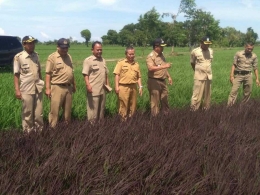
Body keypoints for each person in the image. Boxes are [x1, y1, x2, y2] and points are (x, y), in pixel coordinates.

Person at [13, 35, 44, 132]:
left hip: (38, 88)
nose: (32, 45)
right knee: (28, 113)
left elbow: (39, 72)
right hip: (26, 89)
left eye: (33, 43)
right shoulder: (19, 57)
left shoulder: (36, 55)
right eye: (29, 43)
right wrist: (17, 90)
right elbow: (16, 74)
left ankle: (39, 132)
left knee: (39, 113)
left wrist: (42, 84)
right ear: (24, 44)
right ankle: (28, 133)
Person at [45, 38, 76, 128]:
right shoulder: (52, 57)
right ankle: (52, 129)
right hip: (57, 87)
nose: (65, 50)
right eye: (62, 48)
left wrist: (74, 84)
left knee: (67, 111)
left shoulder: (69, 56)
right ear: (57, 47)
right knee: (55, 110)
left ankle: (66, 128)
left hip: (68, 87)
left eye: (66, 48)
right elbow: (48, 74)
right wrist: (47, 89)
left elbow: (71, 71)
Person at [82, 41, 110, 121]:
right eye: (97, 50)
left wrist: (108, 85)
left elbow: (106, 74)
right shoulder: (88, 60)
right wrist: (88, 85)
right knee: (92, 113)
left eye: (101, 50)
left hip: (102, 90)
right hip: (93, 90)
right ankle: (92, 129)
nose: (99, 51)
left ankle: (100, 128)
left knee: (101, 112)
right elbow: (85, 74)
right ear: (92, 50)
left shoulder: (103, 60)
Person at [113, 46, 142, 119]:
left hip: (133, 87)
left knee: (133, 105)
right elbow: (117, 75)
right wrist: (116, 86)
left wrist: (140, 87)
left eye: (133, 54)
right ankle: (123, 122)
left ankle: (131, 121)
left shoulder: (136, 64)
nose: (132, 56)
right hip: (123, 87)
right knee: (123, 105)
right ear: (126, 54)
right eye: (130, 54)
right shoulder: (121, 63)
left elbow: (139, 77)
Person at [146, 38, 172, 116]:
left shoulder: (162, 55)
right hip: (154, 81)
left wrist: (169, 76)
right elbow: (150, 68)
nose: (163, 48)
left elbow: (164, 68)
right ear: (156, 47)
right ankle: (155, 119)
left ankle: (166, 116)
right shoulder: (151, 56)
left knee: (165, 99)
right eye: (161, 46)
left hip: (163, 81)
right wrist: (164, 66)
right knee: (155, 102)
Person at [190, 36, 213, 111]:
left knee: (207, 95)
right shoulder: (195, 51)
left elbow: (209, 62)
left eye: (209, 44)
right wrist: (197, 71)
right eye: (206, 44)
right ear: (201, 43)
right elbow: (192, 63)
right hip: (199, 76)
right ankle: (194, 110)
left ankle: (206, 109)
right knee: (196, 95)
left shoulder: (211, 51)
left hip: (208, 76)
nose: (207, 45)